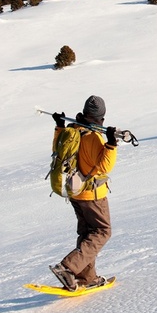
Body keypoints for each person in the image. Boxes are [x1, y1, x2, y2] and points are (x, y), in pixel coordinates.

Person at [48, 94, 118, 291]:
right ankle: (67, 268)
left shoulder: (72, 129)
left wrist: (59, 126)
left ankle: (87, 277)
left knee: (87, 234)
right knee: (102, 232)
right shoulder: (93, 136)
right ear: (101, 117)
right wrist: (111, 144)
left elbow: (57, 149)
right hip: (92, 194)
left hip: (74, 191)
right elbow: (104, 166)